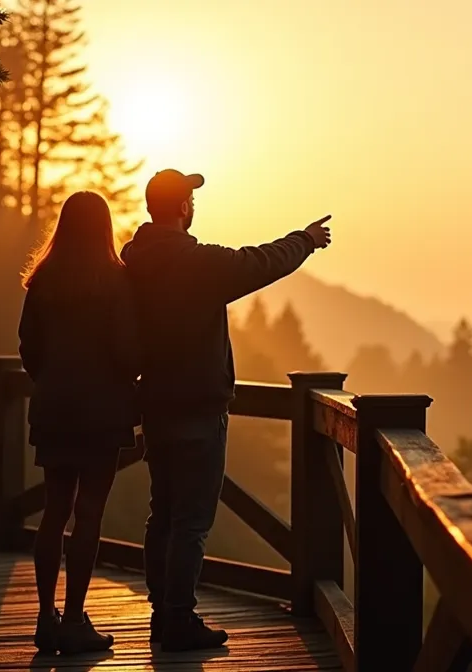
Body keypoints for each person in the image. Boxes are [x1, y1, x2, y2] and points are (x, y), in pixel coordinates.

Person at [120, 169, 331, 652]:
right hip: (198, 407)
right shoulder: (197, 264)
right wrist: (306, 239)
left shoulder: (131, 262)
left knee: (164, 515)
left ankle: (162, 613)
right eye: (190, 198)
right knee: (191, 522)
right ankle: (177, 619)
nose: (195, 205)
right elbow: (262, 263)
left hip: (155, 404)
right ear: (181, 208)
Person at [18, 191, 140, 655]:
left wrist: (51, 381)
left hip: (54, 408)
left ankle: (45, 618)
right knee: (89, 514)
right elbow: (128, 351)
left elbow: (28, 345)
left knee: (54, 512)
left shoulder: (43, 281)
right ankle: (74, 618)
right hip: (102, 411)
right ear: (104, 228)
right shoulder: (116, 280)